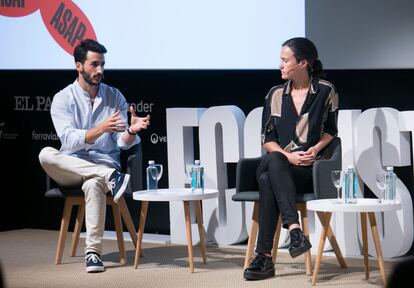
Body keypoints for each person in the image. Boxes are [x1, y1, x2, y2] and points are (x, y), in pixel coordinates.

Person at [38, 39, 150, 273]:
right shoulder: (62, 99)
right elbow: (68, 140)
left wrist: (130, 131)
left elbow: (122, 143)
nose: (100, 70)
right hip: (71, 167)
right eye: (94, 65)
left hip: (101, 165)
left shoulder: (114, 96)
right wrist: (100, 128)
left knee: (93, 183)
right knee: (46, 154)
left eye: (103, 65)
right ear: (79, 66)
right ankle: (110, 176)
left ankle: (93, 254)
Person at [244, 37, 339, 280]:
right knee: (275, 159)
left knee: (267, 179)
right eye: (281, 60)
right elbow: (267, 139)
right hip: (280, 162)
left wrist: (315, 150)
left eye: (285, 60)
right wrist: (289, 157)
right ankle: (294, 229)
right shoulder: (275, 94)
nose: (280, 65)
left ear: (303, 63)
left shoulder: (325, 91)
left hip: (307, 172)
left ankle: (264, 257)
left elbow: (331, 131)